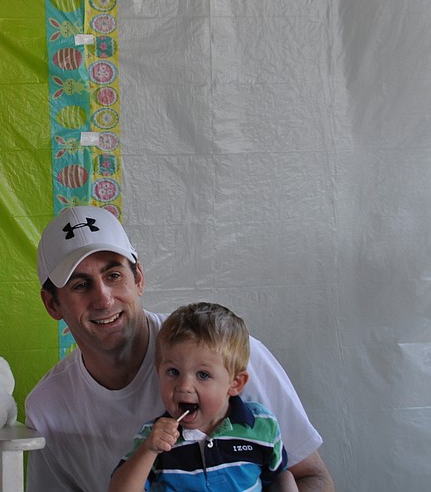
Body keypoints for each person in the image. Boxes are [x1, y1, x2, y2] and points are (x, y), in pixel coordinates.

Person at [26, 206, 334, 492]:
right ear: (52, 304)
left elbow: (312, 477)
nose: (104, 299)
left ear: (139, 278)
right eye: (81, 285)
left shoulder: (229, 356)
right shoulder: (47, 408)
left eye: (114, 275)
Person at [109, 302, 296, 492]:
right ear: (159, 373)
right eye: (173, 372)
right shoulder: (153, 437)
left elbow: (280, 477)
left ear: (235, 383)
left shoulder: (262, 425)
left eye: (203, 375)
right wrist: (148, 450)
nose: (184, 386)